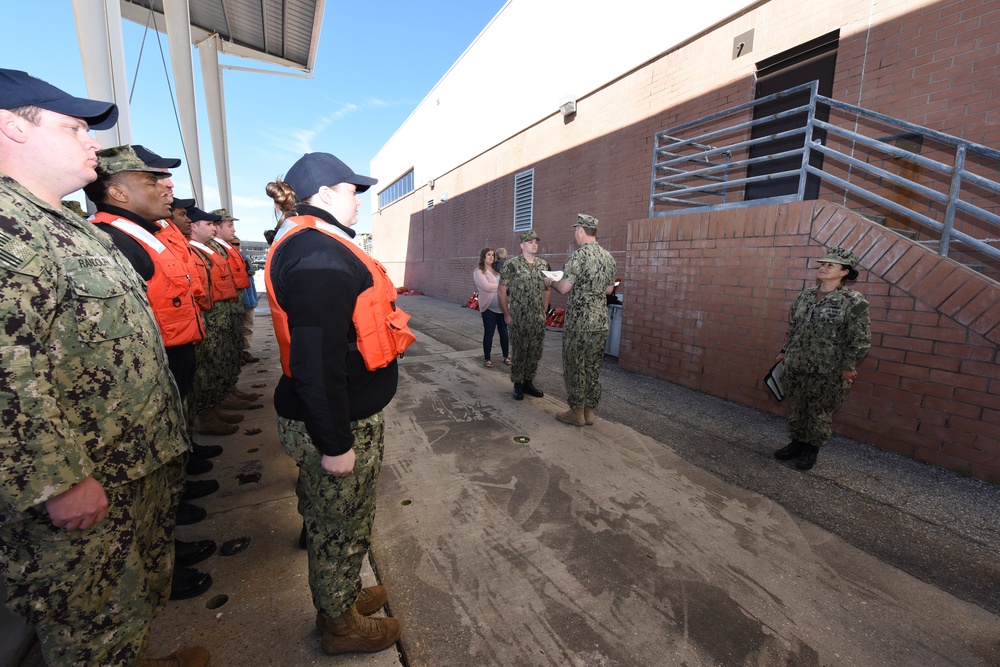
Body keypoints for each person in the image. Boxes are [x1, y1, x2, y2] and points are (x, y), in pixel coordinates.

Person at [0, 69, 209, 666]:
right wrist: (58, 482)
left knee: (130, 604)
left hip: (128, 463)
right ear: (12, 126)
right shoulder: (9, 229)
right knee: (91, 629)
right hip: (81, 480)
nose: (92, 142)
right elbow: (8, 378)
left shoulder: (61, 223)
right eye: (74, 128)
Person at [265, 152, 412, 656]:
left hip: (341, 409)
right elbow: (315, 360)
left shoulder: (315, 244)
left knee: (341, 521)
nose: (359, 202)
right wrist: (333, 442)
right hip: (335, 419)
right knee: (338, 527)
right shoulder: (318, 256)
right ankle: (338, 623)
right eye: (354, 191)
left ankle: (343, 595)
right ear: (325, 194)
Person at [85, 145, 217, 601]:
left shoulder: (145, 232)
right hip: (140, 382)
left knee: (165, 471)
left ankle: (164, 552)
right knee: (143, 491)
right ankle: (158, 569)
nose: (168, 185)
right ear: (116, 190)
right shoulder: (112, 240)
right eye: (152, 179)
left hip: (168, 361)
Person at [773, 247, 871, 471]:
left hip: (828, 369)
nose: (823, 268)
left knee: (819, 411)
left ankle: (811, 449)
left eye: (830, 265)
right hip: (797, 363)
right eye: (822, 264)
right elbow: (794, 327)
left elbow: (860, 339)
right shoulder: (805, 295)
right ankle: (796, 443)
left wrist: (848, 366)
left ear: (844, 272)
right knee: (798, 407)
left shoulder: (853, 301)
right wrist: (784, 350)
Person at [547, 214, 617, 426]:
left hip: (580, 323)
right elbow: (609, 290)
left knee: (575, 365)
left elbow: (565, 288)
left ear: (580, 231)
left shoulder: (578, 257)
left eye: (575, 230)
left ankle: (576, 412)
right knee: (593, 367)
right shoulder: (609, 258)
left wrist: (550, 282)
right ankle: (590, 412)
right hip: (600, 322)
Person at [498, 230, 550, 400]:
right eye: (530, 242)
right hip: (518, 317)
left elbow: (547, 290)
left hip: (537, 318)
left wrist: (544, 311)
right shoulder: (511, 266)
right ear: (522, 245)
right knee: (519, 351)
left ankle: (528, 382)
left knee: (535, 351)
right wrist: (506, 314)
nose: (534, 244)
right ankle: (517, 384)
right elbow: (502, 291)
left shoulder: (544, 265)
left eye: (536, 241)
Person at [473, 247, 510, 367]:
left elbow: (507, 284)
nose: (491, 257)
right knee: (489, 332)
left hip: (502, 307)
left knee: (504, 332)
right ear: (483, 257)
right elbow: (486, 286)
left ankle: (506, 356)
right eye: (488, 254)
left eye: (493, 255)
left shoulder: (497, 270)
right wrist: (502, 286)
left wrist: (503, 287)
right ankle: (487, 358)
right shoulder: (479, 272)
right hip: (488, 308)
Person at [232, 236, 260, 364]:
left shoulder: (245, 259)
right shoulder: (228, 259)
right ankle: (236, 354)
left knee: (248, 326)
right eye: (232, 244)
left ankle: (245, 351)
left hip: (249, 298)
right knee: (235, 328)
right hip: (236, 300)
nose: (235, 246)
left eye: (237, 244)